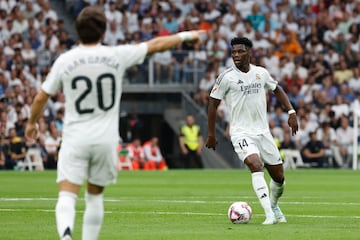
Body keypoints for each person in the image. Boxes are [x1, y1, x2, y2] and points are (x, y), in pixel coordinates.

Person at [24, 6, 207, 240]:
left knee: (67, 195)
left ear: (77, 32)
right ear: (103, 31)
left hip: (74, 138)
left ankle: (66, 236)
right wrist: (185, 35)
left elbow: (41, 96)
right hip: (105, 140)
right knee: (94, 197)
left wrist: (31, 123)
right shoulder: (116, 55)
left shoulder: (65, 60)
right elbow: (155, 45)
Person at [206, 37, 298, 225]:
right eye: (233, 52)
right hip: (241, 133)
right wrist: (211, 134)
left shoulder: (260, 73)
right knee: (255, 165)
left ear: (250, 52)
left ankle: (273, 205)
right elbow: (212, 105)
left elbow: (277, 89)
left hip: (263, 133)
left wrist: (291, 111)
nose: (236, 55)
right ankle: (269, 215)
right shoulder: (226, 77)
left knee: (279, 178)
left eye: (240, 51)